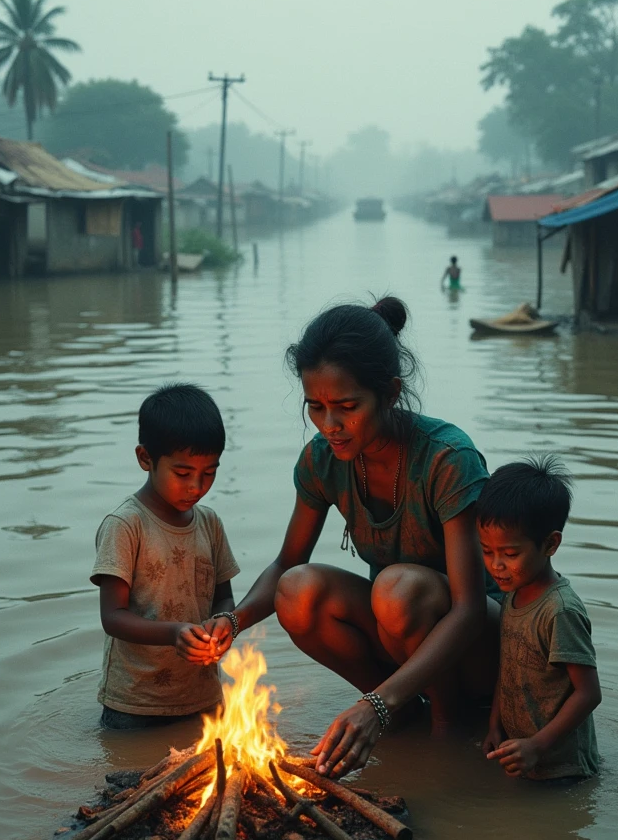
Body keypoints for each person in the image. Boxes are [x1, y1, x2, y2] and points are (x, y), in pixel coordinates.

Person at [199, 296, 501, 777]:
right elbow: (284, 564)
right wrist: (232, 622)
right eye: (315, 407)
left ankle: (446, 726)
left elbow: (466, 611)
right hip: (401, 639)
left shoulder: (447, 459)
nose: (330, 425)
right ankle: (400, 711)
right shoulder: (322, 461)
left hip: (478, 648)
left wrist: (371, 704)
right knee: (296, 591)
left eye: (347, 407)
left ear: (391, 393)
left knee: (397, 589)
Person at [91, 383, 240, 729]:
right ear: (146, 459)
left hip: (202, 696)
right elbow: (112, 617)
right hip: (135, 704)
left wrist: (224, 624)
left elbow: (224, 595)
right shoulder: (126, 525)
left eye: (210, 473)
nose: (196, 487)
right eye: (183, 473)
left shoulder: (210, 523)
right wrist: (175, 632)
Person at [477, 457, 601, 780]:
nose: (495, 565)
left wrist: (537, 745)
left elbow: (588, 693)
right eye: (487, 551)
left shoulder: (559, 611)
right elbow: (507, 669)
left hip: (565, 768)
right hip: (526, 755)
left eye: (510, 554)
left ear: (550, 544)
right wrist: (495, 725)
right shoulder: (512, 594)